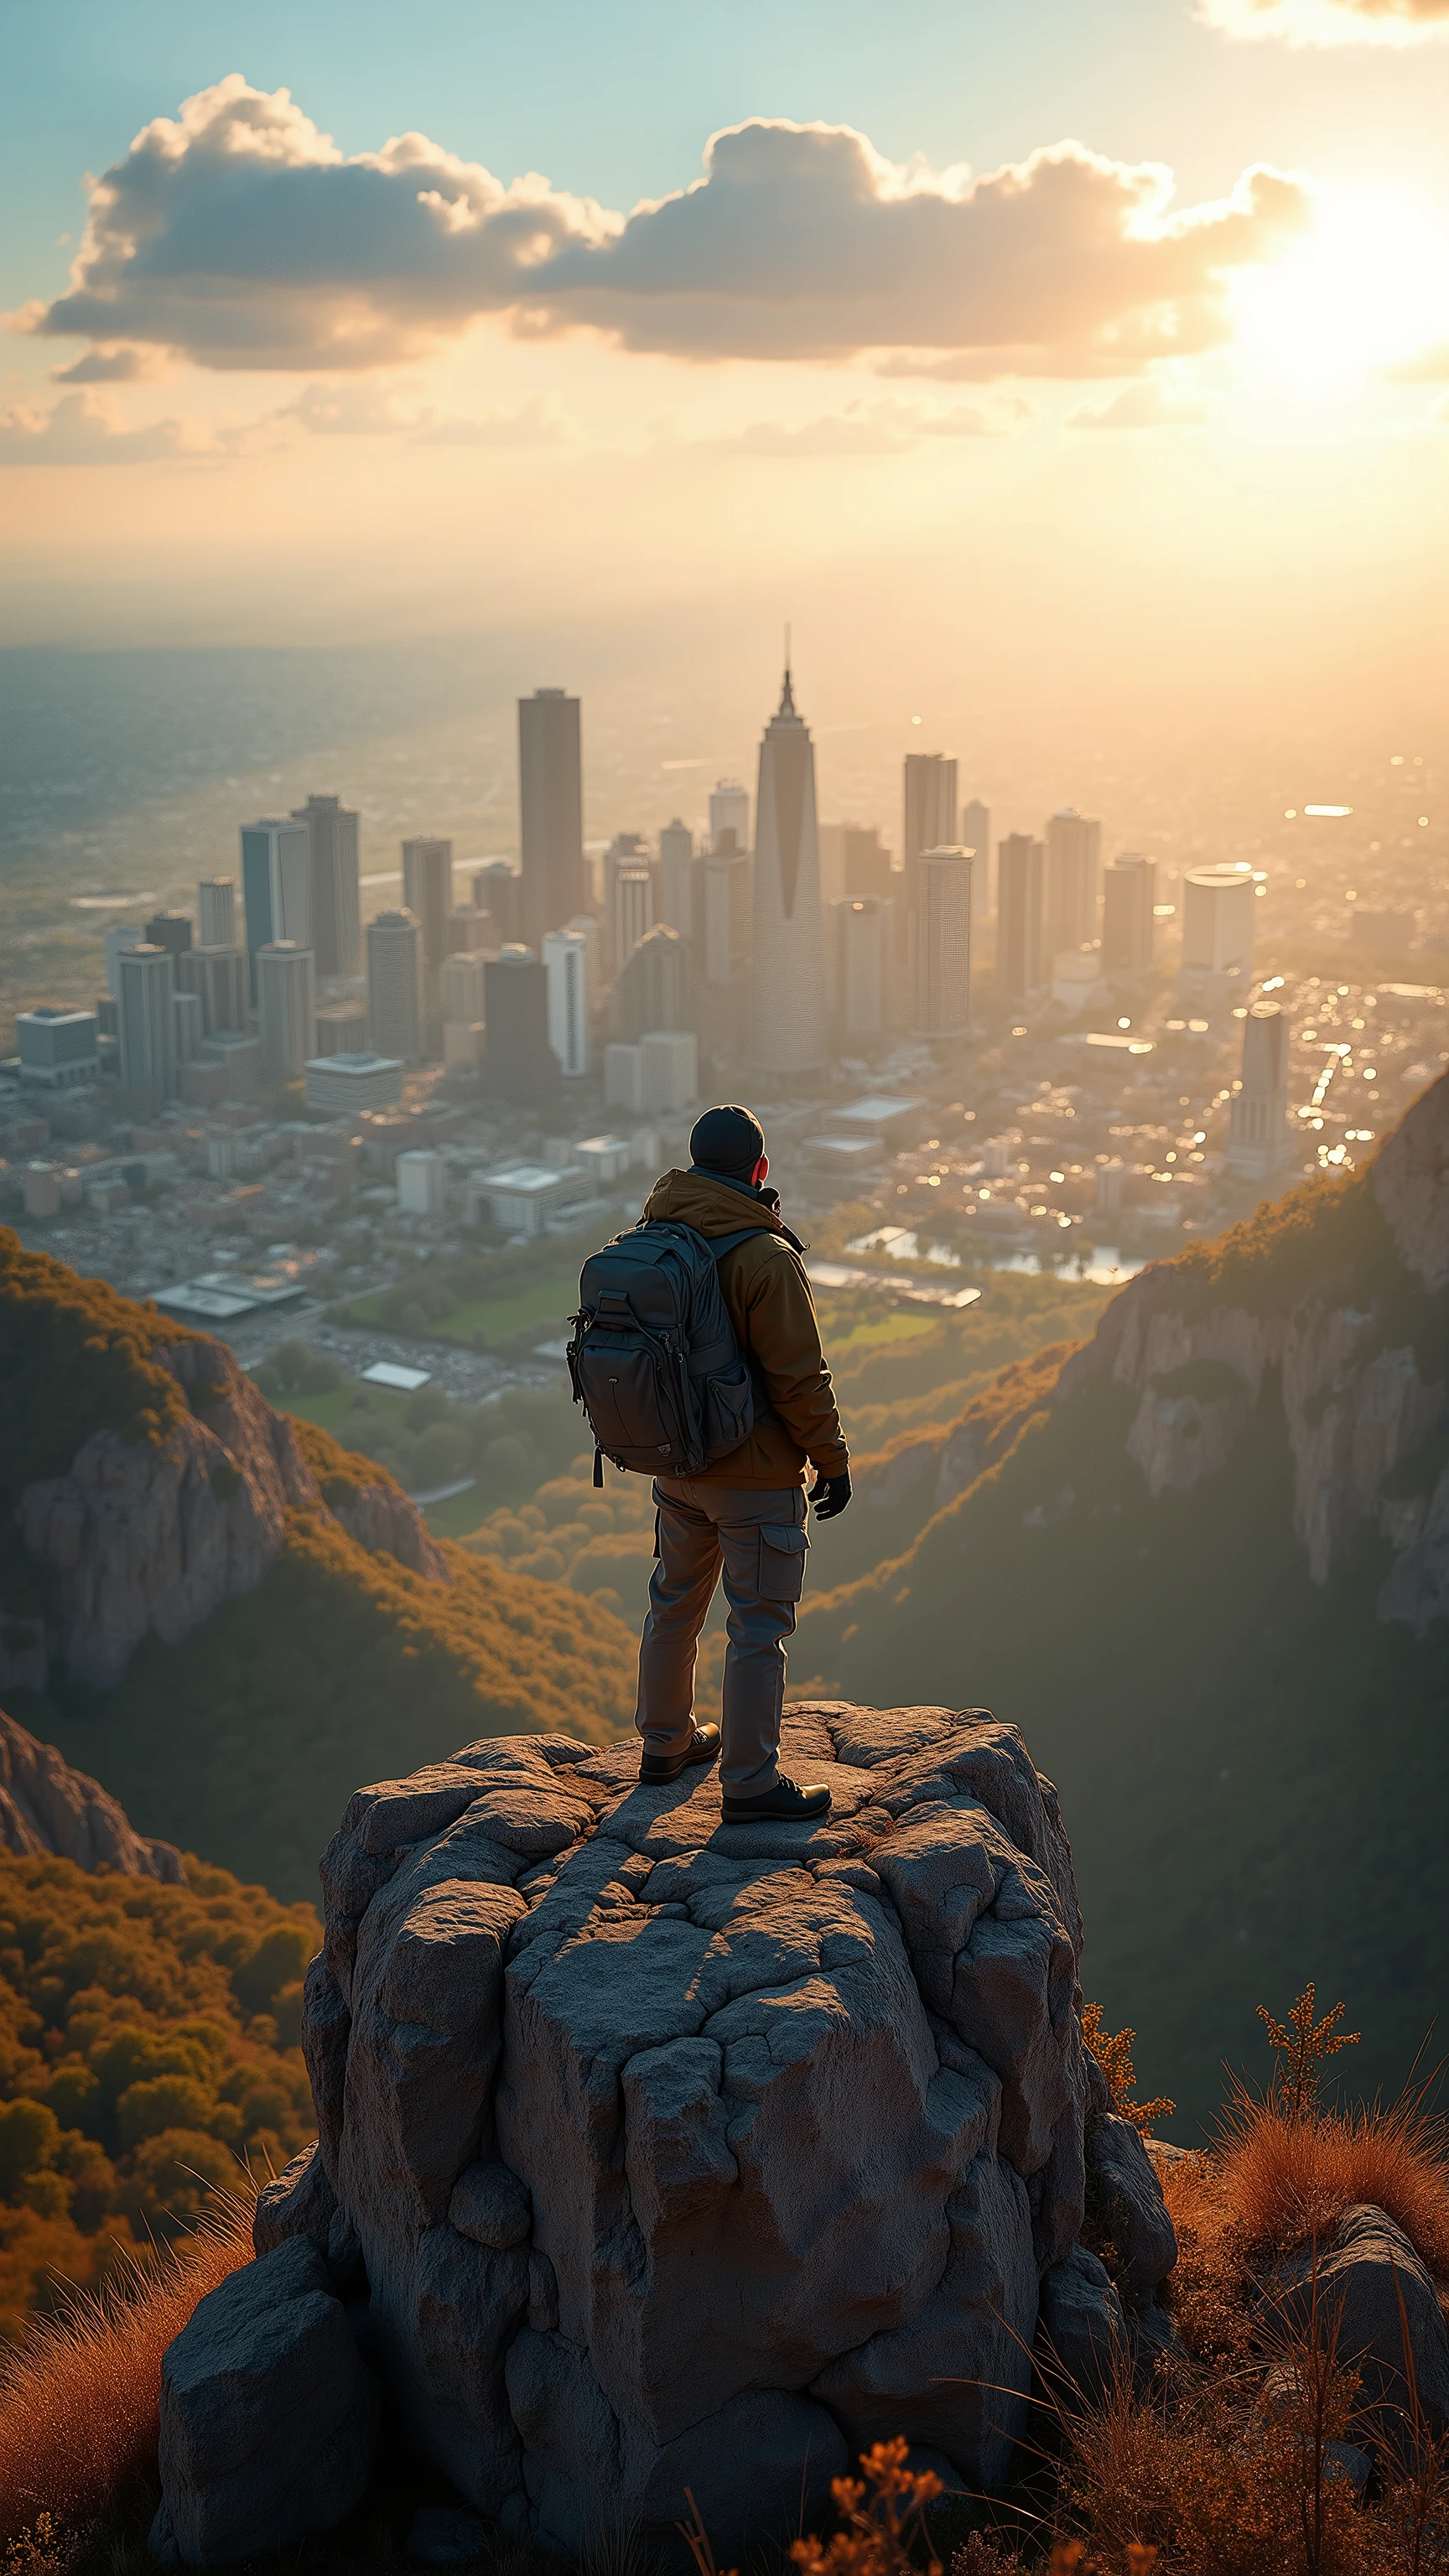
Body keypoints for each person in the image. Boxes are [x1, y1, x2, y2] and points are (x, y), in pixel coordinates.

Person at [633, 1103, 851, 1823]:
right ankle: (751, 1782)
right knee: (757, 1625)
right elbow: (799, 1376)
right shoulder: (764, 1256)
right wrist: (833, 1458)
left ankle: (665, 1744)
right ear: (759, 1170)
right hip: (753, 1478)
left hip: (676, 1463)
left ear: (693, 1164)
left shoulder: (656, 1232)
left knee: (674, 1602)